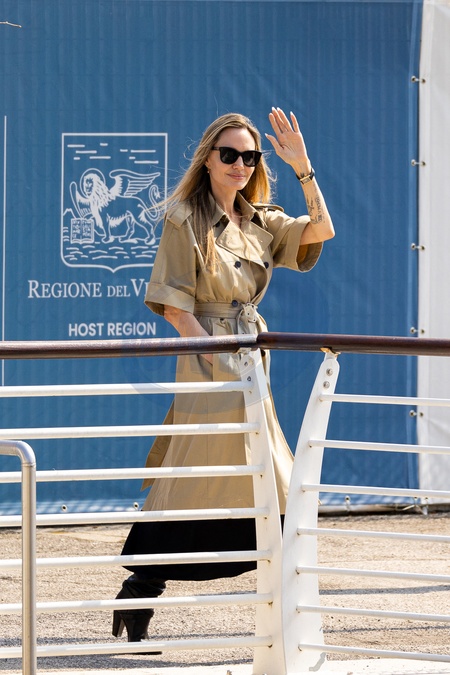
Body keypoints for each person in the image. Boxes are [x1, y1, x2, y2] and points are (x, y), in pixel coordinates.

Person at [112, 107, 335, 646]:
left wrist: (302, 167)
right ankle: (142, 587)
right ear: (208, 159)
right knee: (201, 469)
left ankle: (150, 591)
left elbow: (322, 229)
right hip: (210, 355)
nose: (240, 164)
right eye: (229, 154)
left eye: (249, 156)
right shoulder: (184, 218)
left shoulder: (261, 219)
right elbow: (174, 306)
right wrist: (218, 361)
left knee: (267, 473)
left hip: (250, 355)